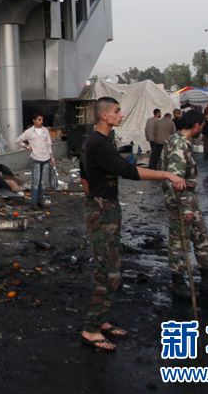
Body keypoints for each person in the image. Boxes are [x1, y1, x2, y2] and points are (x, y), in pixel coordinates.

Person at [78, 97, 185, 352]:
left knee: (109, 268)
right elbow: (128, 171)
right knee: (109, 272)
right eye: (116, 111)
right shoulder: (97, 143)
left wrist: (94, 197)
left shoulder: (101, 140)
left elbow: (85, 177)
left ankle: (100, 320)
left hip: (103, 207)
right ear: (104, 115)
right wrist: (166, 174)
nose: (121, 114)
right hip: (103, 211)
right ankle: (91, 330)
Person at [161, 111, 208, 299]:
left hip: (188, 199)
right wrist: (186, 208)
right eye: (202, 126)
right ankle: (178, 282)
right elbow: (176, 180)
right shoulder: (179, 146)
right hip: (181, 202)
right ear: (196, 125)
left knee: (201, 235)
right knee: (179, 241)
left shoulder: (179, 142)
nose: (203, 130)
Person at [17, 113, 54, 209]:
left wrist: (52, 157)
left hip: (46, 159)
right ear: (34, 120)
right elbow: (18, 140)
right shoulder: (29, 132)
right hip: (36, 159)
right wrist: (26, 147)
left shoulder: (45, 130)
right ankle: (34, 204)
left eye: (42, 120)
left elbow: (49, 144)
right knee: (36, 182)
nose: (41, 121)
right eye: (39, 120)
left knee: (43, 183)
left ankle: (41, 202)